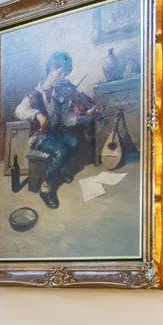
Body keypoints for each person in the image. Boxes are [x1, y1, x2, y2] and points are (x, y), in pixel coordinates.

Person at [13, 51, 98, 209]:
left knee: (74, 142)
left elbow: (66, 119)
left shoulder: (58, 93)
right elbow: (19, 110)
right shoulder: (34, 94)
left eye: (65, 74)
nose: (63, 77)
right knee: (61, 151)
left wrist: (86, 114)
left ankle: (60, 170)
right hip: (40, 136)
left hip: (56, 132)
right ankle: (45, 188)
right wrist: (36, 114)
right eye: (60, 72)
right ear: (51, 68)